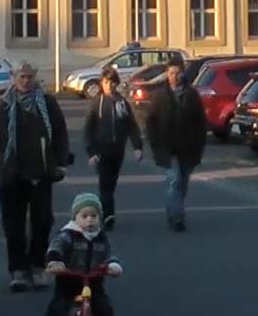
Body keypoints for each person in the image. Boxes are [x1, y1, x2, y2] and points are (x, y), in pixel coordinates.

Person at [0, 62, 70, 292]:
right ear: (13, 78)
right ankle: (18, 270)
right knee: (14, 225)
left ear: (35, 78)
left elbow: (60, 132)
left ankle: (37, 266)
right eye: (21, 77)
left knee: (42, 222)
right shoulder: (4, 107)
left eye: (29, 77)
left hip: (40, 172)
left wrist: (61, 162)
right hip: (11, 173)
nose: (25, 81)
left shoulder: (47, 104)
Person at [35, 193, 123, 316]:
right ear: (75, 217)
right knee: (58, 308)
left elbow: (109, 254)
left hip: (93, 281)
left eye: (94, 216)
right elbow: (56, 247)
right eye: (84, 216)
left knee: (103, 308)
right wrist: (55, 261)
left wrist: (113, 265)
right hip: (69, 280)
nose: (89, 220)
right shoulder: (68, 234)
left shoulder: (101, 238)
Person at [143, 56, 207, 232]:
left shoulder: (191, 94)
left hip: (188, 147)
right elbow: (151, 122)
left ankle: (174, 209)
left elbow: (201, 122)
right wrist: (155, 143)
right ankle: (177, 217)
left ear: (182, 73)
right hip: (167, 147)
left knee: (183, 182)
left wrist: (199, 144)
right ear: (166, 73)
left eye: (177, 73)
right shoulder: (160, 95)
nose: (174, 76)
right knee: (174, 180)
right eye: (171, 73)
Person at [81, 67, 143, 229]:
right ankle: (108, 216)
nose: (110, 86)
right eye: (106, 82)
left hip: (118, 150)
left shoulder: (121, 103)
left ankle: (104, 209)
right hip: (101, 150)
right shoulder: (96, 103)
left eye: (112, 83)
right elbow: (88, 129)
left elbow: (131, 125)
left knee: (111, 184)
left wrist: (137, 147)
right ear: (102, 83)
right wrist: (91, 152)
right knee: (105, 183)